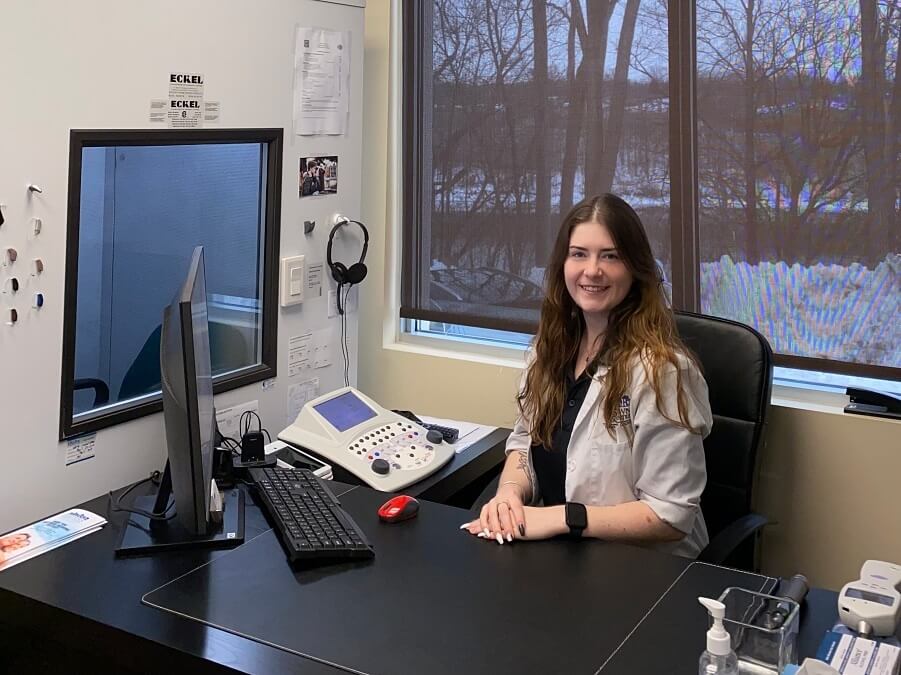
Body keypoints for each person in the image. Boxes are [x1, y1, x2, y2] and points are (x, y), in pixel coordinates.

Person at [461, 193, 712, 558]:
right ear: (563, 264)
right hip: (563, 556)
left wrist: (563, 518)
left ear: (635, 269)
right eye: (579, 253)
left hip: (641, 568)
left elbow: (670, 516)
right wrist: (509, 495)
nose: (592, 270)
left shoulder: (664, 372)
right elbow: (523, 444)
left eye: (610, 256)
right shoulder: (549, 352)